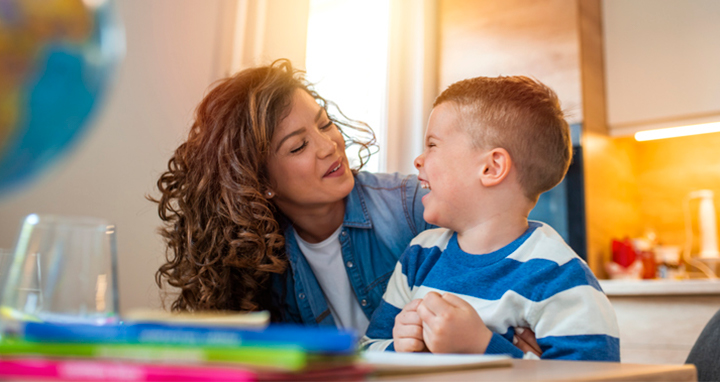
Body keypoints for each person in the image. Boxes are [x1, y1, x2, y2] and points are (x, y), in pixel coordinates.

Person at [150, 59, 433, 336]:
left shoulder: (413, 207)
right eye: (298, 147)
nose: (329, 146)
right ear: (259, 182)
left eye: (324, 125)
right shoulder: (259, 264)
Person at [361, 76, 621, 361]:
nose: (419, 160)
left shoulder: (559, 276)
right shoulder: (420, 256)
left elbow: (595, 377)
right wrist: (402, 348)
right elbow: (366, 351)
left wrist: (482, 346)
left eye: (433, 145)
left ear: (491, 167)